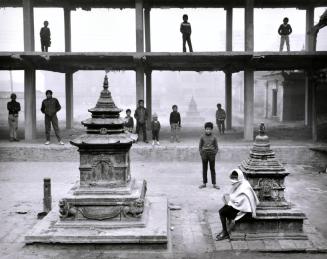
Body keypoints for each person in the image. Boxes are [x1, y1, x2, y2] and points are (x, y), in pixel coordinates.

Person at [216, 169, 259, 241]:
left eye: (235, 179)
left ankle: (225, 232)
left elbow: (251, 199)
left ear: (239, 178)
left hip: (244, 210)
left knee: (222, 212)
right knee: (223, 209)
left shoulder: (245, 186)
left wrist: (254, 212)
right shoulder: (240, 183)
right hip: (238, 205)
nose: (233, 182)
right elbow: (234, 195)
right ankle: (225, 230)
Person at [199, 122, 219, 190]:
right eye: (207, 129)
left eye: (209, 129)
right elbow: (200, 147)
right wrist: (202, 154)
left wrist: (214, 153)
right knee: (204, 169)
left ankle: (214, 184)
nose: (208, 130)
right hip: (204, 155)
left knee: (212, 169)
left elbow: (216, 147)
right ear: (205, 129)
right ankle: (204, 183)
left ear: (211, 130)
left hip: (212, 155)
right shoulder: (202, 137)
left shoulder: (214, 137)